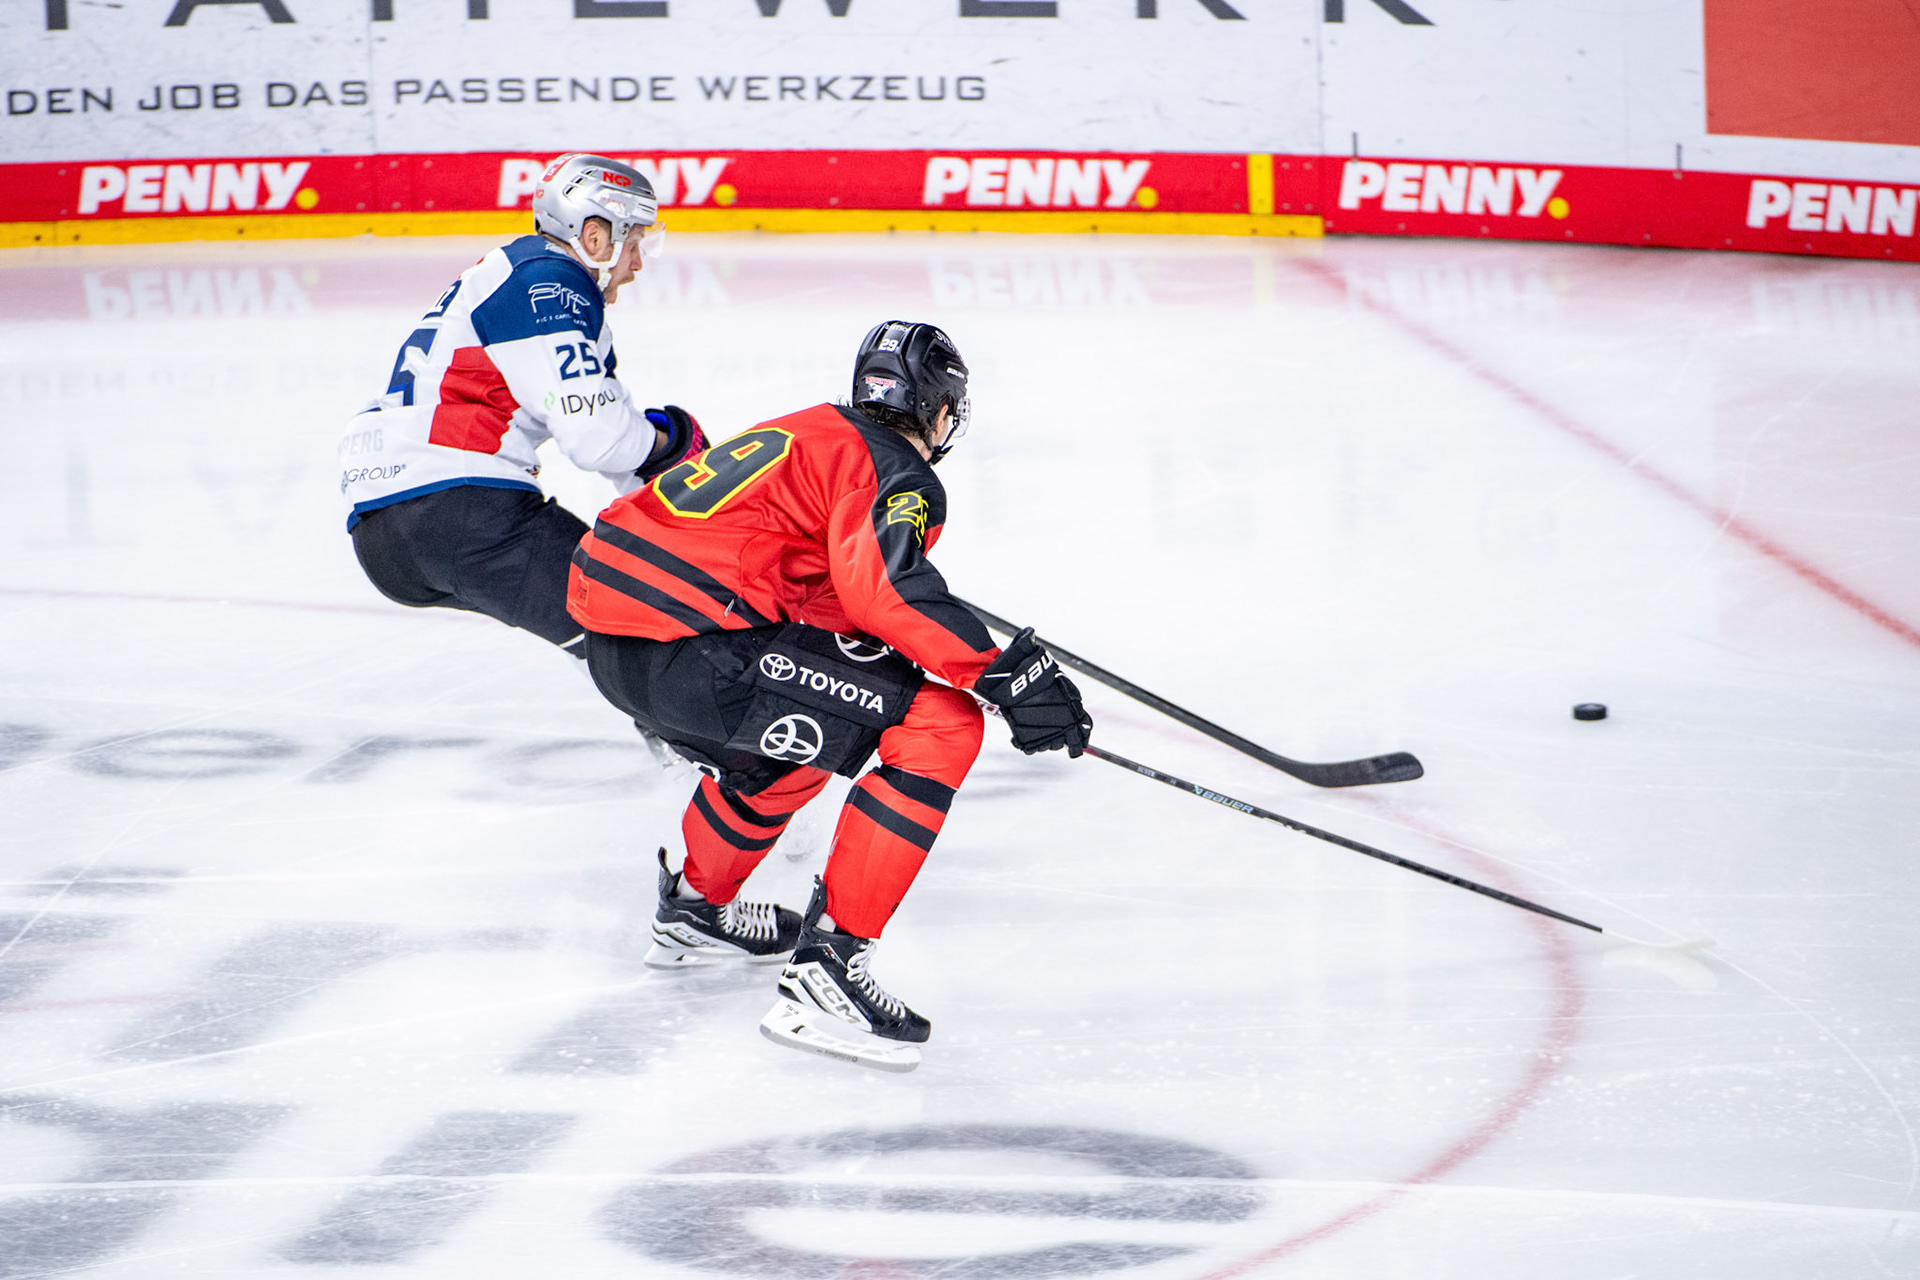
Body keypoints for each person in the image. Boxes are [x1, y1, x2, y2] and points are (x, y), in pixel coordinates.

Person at [566, 321, 1094, 1071]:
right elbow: (885, 594)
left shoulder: (813, 429)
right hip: (691, 645)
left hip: (619, 642)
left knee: (800, 746)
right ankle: (829, 972)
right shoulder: (898, 471)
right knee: (941, 725)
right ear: (941, 409)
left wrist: (934, 637)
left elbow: (830, 601)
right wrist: (1004, 672)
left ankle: (694, 908)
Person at [337, 153, 708, 657]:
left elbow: (611, 440)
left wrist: (667, 482)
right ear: (596, 237)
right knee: (639, 622)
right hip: (458, 509)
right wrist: (674, 445)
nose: (639, 263)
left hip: (383, 529)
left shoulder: (515, 275)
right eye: (636, 241)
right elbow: (601, 440)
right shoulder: (550, 284)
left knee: (602, 633)